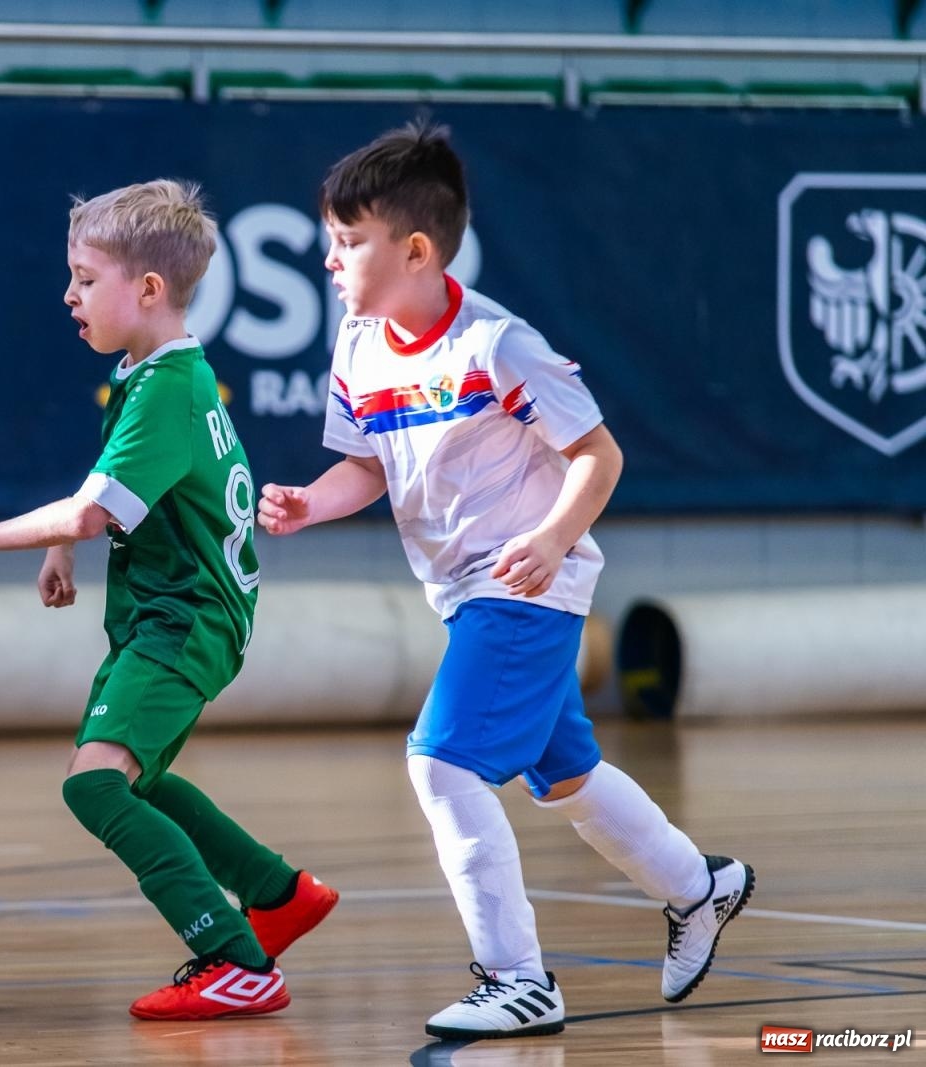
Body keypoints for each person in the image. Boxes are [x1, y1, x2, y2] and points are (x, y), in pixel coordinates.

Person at [257, 122, 753, 1040]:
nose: (327, 260)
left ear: (414, 249)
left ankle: (517, 977)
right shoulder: (359, 346)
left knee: (440, 762)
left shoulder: (500, 345)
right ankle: (700, 885)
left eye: (346, 240)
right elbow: (365, 466)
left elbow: (598, 455)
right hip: (464, 593)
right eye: (327, 239)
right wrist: (308, 505)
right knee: (564, 771)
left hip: (523, 585)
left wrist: (556, 539)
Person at [0, 179, 338, 1021]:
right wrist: (60, 541)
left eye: (84, 278)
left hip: (185, 619)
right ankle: (277, 893)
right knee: (144, 777)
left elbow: (97, 509)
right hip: (172, 614)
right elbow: (108, 492)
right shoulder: (148, 373)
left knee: (94, 786)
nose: (68, 294)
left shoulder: (166, 388)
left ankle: (236, 960)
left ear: (148, 289)